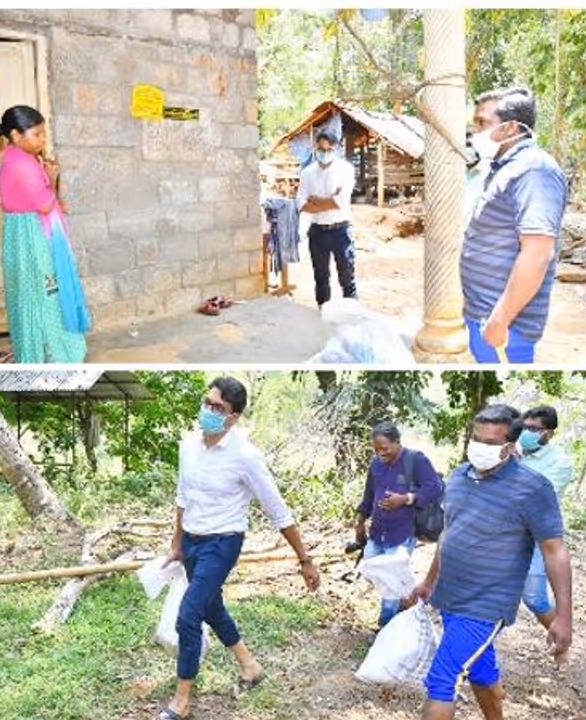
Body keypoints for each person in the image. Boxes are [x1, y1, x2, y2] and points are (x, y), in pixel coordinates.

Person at [156, 377, 321, 720]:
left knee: (188, 616)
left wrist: (305, 559)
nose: (209, 411)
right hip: (192, 541)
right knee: (211, 607)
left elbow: (278, 510)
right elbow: (183, 496)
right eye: (208, 403)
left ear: (234, 417)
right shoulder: (188, 445)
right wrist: (177, 542)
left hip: (223, 543)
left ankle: (182, 701)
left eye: (219, 408)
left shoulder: (245, 456)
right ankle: (250, 666)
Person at [403, 404, 573, 720]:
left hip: (486, 605)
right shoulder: (458, 477)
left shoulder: (533, 487)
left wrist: (564, 616)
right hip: (451, 598)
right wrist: (428, 582)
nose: (480, 447)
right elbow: (449, 534)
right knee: (481, 672)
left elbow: (555, 551)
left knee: (442, 680)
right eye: (476, 438)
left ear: (510, 446)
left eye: (491, 443)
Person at [461, 87, 568, 363]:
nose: (475, 131)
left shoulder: (534, 170)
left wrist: (501, 319)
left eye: (483, 122)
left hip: (506, 328)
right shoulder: (505, 167)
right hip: (485, 316)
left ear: (510, 128)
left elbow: (537, 252)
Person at [0, 105, 90, 362]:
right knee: (48, 293)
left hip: (27, 234)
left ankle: (36, 351)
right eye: (37, 134)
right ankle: (54, 354)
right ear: (16, 135)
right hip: (33, 240)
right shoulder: (21, 165)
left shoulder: (18, 156)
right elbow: (46, 204)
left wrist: (48, 181)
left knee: (33, 294)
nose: (43, 139)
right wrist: (52, 178)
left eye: (43, 134)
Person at [354, 421, 443, 628]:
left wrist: (405, 499)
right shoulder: (376, 464)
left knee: (391, 583)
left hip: (402, 532)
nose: (380, 453)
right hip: (377, 532)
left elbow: (434, 488)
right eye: (375, 449)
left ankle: (385, 626)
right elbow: (368, 494)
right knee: (374, 571)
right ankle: (405, 601)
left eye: (384, 448)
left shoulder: (416, 460)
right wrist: (360, 521)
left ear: (397, 442)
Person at [517, 405, 575, 630]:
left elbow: (536, 496)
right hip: (507, 530)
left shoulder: (560, 463)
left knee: (534, 597)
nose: (526, 432)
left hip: (538, 534)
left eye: (533, 429)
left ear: (548, 433)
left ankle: (560, 638)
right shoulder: (513, 453)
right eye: (524, 427)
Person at [296, 131, 357, 307]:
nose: (324, 152)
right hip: (317, 232)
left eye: (328, 149)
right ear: (315, 147)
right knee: (321, 278)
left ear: (336, 148)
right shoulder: (307, 173)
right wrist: (330, 200)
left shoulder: (345, 169)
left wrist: (314, 200)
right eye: (320, 148)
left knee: (347, 277)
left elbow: (341, 201)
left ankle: (351, 317)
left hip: (341, 231)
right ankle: (322, 313)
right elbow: (300, 203)